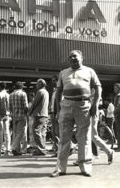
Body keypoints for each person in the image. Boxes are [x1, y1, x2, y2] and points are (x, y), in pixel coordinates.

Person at [51, 50, 101, 178]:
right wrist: (57, 109)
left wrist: (95, 105)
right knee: (63, 138)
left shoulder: (89, 71)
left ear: (81, 58)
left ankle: (85, 167)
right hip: (66, 106)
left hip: (83, 106)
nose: (72, 58)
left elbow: (98, 87)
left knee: (83, 138)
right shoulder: (63, 72)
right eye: (70, 57)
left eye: (75, 56)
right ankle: (60, 168)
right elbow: (58, 91)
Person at [29, 78, 49, 156]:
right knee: (43, 132)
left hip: (39, 114)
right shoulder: (46, 92)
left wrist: (29, 112)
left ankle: (41, 149)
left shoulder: (40, 92)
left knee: (36, 131)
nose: (36, 85)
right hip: (45, 114)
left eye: (37, 84)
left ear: (41, 84)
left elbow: (34, 103)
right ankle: (43, 148)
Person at [9, 81, 28, 156]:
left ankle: (17, 150)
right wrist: (26, 114)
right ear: (21, 87)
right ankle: (14, 147)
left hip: (14, 116)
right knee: (20, 132)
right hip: (22, 115)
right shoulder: (23, 94)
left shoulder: (11, 95)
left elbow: (9, 107)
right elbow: (26, 106)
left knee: (15, 133)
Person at [49, 75, 59, 157]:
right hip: (53, 113)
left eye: (54, 80)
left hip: (57, 114)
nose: (52, 82)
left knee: (57, 133)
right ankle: (56, 150)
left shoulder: (60, 90)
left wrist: (57, 113)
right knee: (54, 133)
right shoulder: (54, 91)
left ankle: (59, 150)